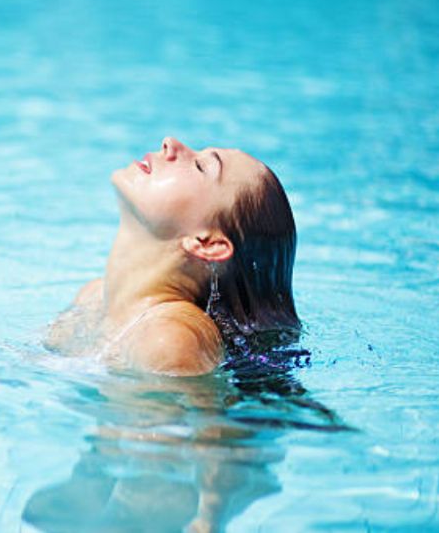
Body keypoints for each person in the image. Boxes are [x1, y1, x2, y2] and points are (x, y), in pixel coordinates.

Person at [44, 137, 300, 376]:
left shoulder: (171, 340)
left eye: (201, 167)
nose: (170, 143)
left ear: (208, 243)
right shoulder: (92, 297)